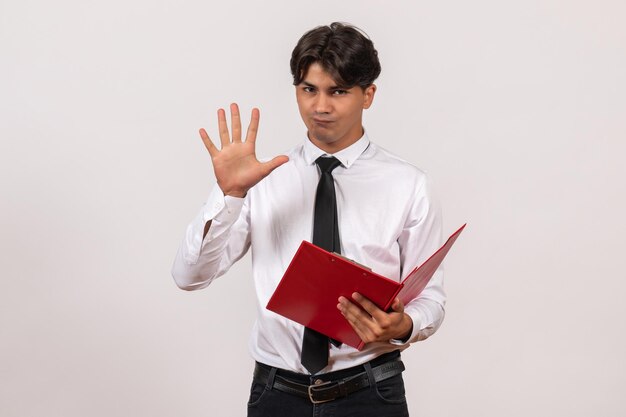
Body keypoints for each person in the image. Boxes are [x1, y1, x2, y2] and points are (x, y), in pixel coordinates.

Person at [171, 22, 445, 417]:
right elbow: (188, 276)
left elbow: (431, 298)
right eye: (308, 90)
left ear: (368, 94)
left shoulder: (409, 184)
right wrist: (230, 194)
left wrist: (403, 326)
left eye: (338, 91)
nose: (320, 107)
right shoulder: (260, 179)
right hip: (276, 393)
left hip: (370, 391)